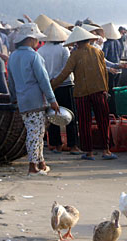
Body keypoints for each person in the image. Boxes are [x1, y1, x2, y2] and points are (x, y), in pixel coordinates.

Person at [51, 26, 117, 161]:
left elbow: (65, 73)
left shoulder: (75, 55)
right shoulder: (97, 52)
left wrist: (51, 86)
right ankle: (106, 150)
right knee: (103, 120)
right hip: (99, 90)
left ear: (76, 42)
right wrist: (106, 90)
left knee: (84, 122)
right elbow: (104, 72)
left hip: (81, 93)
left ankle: (89, 152)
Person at [8, 23, 59, 176]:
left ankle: (41, 162)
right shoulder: (34, 56)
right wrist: (52, 100)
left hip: (23, 100)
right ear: (30, 39)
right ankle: (32, 164)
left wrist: (14, 98)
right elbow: (43, 80)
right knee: (35, 133)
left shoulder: (13, 56)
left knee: (36, 131)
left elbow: (10, 80)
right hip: (35, 100)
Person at [37, 23, 82, 155]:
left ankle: (57, 145)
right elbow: (66, 69)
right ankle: (73, 145)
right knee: (70, 115)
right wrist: (57, 79)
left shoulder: (41, 51)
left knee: (53, 115)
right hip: (65, 84)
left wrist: (51, 81)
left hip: (50, 86)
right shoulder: (63, 49)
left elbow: (42, 71)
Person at [102, 22, 123, 115]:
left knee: (110, 91)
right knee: (116, 91)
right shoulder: (118, 42)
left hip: (110, 70)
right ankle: (117, 111)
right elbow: (120, 54)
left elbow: (103, 57)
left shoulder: (106, 44)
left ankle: (111, 111)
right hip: (118, 69)